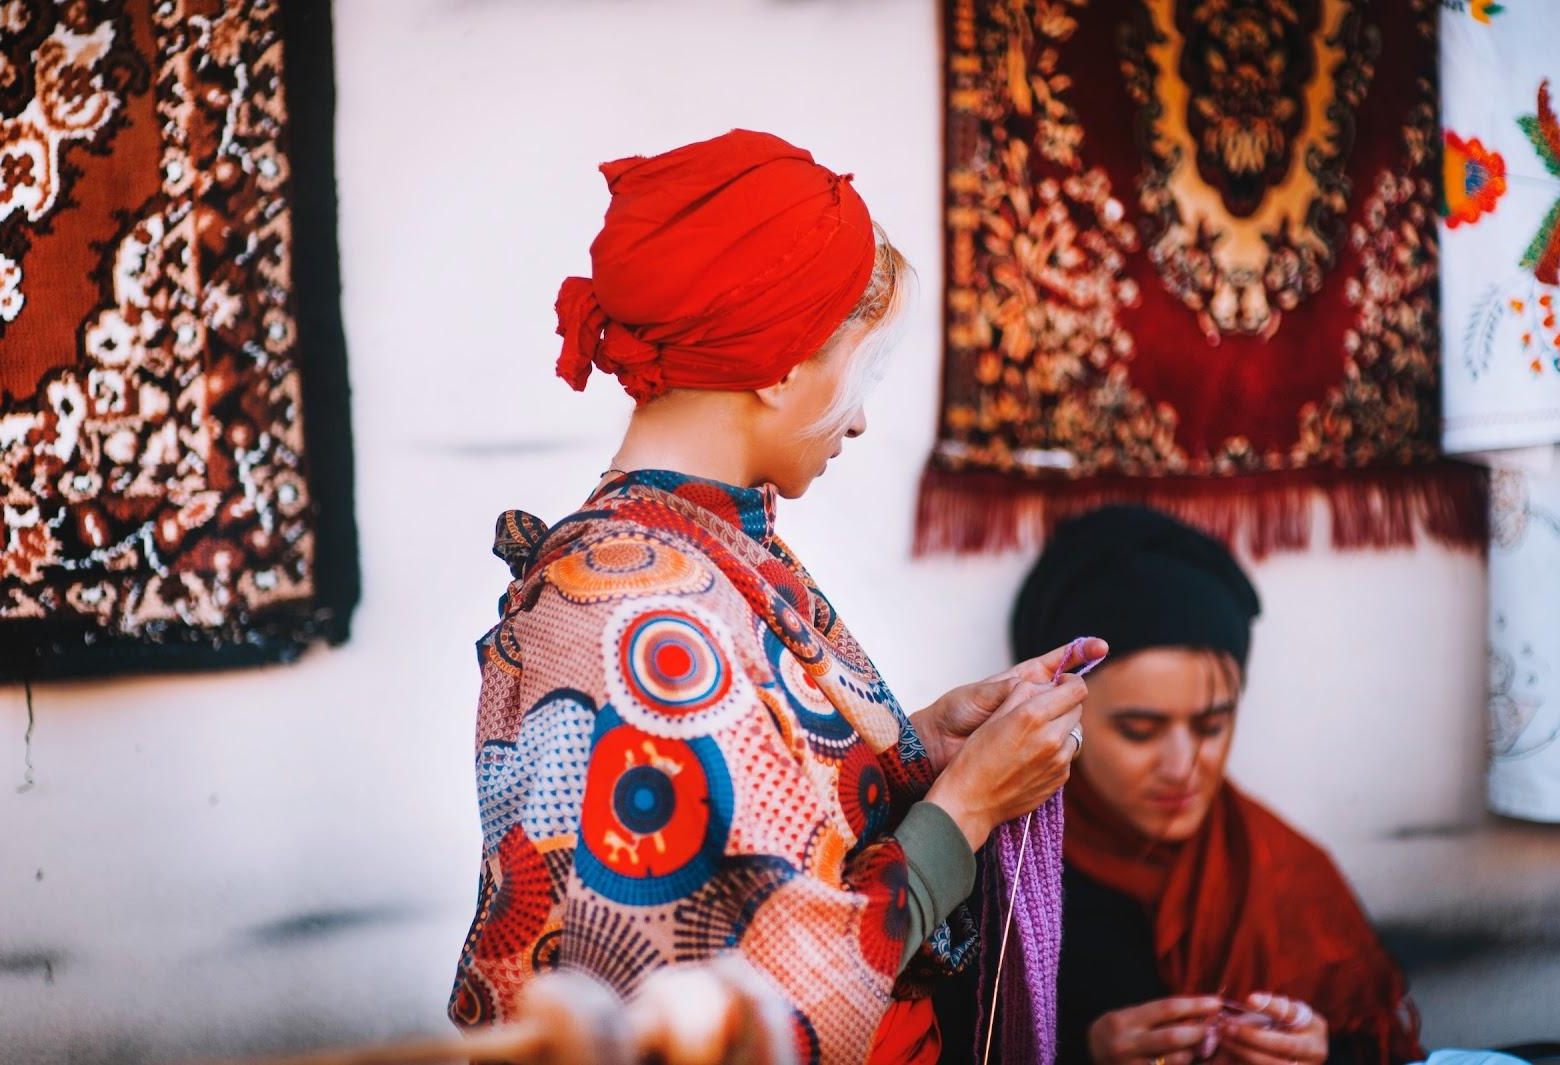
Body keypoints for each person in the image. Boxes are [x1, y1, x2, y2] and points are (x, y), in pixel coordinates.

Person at [446, 129, 1104, 1065]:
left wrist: (919, 748)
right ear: (781, 361)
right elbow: (742, 1009)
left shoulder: (683, 551)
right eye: (862, 372)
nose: (865, 416)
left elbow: (753, 806)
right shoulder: (631, 617)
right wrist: (964, 808)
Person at [938, 505, 1424, 1065]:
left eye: (1211, 725)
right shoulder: (997, 880)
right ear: (1062, 715)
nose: (1184, 765)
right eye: (1140, 731)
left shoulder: (1286, 874)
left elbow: (1377, 1047)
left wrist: (1320, 1056)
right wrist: (1084, 1054)